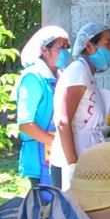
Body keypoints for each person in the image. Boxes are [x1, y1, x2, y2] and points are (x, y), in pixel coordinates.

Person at [49, 21, 110, 189]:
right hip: (71, 163)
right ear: (89, 46)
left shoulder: (86, 73)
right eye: (108, 43)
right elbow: (62, 121)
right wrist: (73, 165)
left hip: (86, 158)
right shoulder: (78, 71)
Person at [12, 25, 70, 188]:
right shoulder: (33, 77)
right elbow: (25, 124)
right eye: (61, 47)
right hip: (40, 158)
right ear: (44, 50)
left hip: (57, 154)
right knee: (46, 201)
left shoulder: (58, 77)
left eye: (68, 47)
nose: (66, 52)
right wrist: (57, 144)